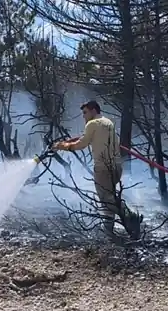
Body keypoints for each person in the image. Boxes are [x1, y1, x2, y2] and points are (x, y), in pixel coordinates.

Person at [52, 100, 124, 236]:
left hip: (102, 168)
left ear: (93, 110)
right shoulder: (108, 122)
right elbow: (89, 138)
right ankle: (110, 231)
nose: (83, 116)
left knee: (106, 199)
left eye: (85, 112)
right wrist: (69, 141)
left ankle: (130, 218)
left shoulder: (92, 124)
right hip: (116, 166)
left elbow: (82, 144)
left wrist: (63, 146)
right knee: (109, 198)